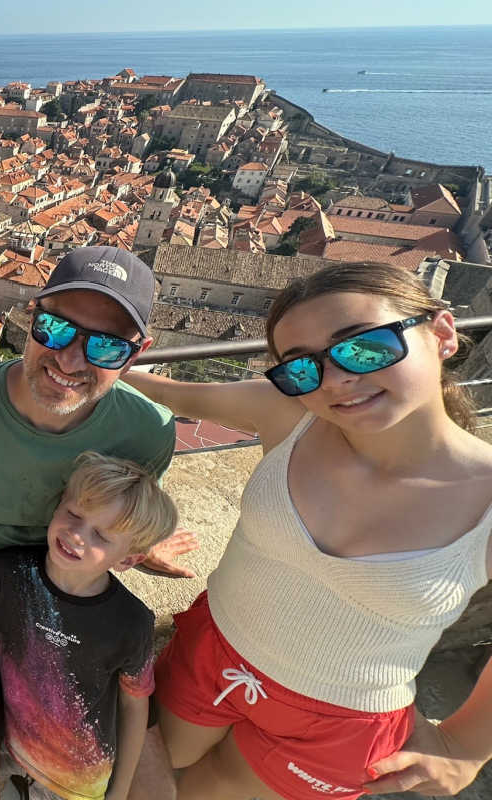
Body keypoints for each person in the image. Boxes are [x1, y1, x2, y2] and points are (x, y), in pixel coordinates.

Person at [123, 260, 492, 799]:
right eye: (302, 368)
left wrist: (469, 749)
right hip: (213, 652)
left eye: (364, 347)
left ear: (441, 334)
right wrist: (78, 351)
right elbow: (174, 393)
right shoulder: (289, 413)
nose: (337, 379)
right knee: (145, 776)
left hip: (341, 721)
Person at [0, 245, 195, 799]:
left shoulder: (148, 431)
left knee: (155, 789)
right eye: (56, 329)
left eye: (106, 345)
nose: (69, 361)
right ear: (30, 319)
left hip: (76, 611)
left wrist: (138, 549)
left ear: (136, 354)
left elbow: (121, 513)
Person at [0, 452, 179, 800]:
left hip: (82, 785)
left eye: (101, 536)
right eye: (74, 514)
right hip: (10, 757)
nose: (77, 535)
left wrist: (119, 791)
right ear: (59, 504)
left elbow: (134, 706)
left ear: (129, 560)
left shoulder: (132, 621)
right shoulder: (5, 573)